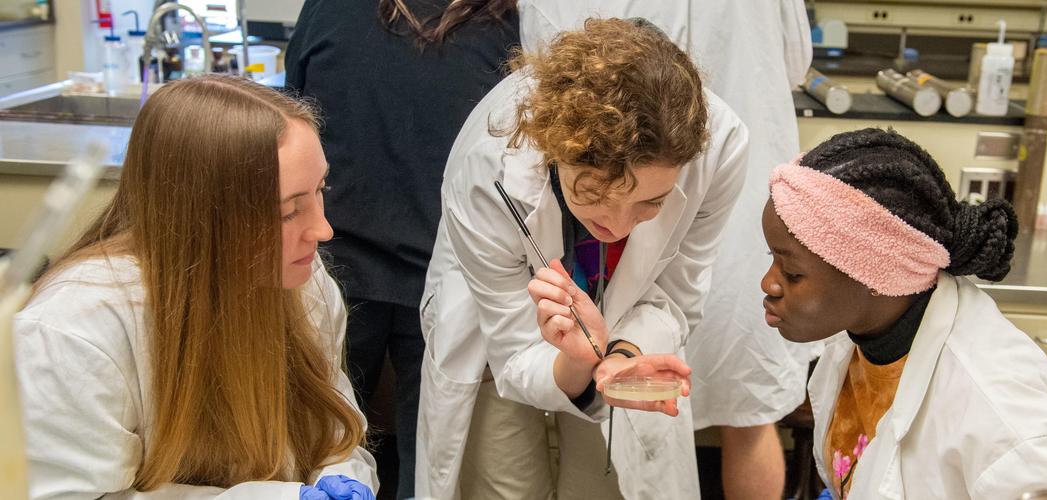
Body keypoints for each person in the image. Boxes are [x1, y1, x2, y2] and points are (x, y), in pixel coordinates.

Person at [417, 18, 748, 500]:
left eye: (650, 204)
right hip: (493, 334)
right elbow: (513, 351)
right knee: (505, 480)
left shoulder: (718, 150)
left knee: (601, 484)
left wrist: (622, 356)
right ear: (556, 155)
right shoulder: (488, 165)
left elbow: (675, 295)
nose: (616, 226)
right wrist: (574, 363)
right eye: (593, 194)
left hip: (624, 324)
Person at [13, 75, 377, 499]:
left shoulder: (301, 280)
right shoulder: (74, 332)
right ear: (201, 221)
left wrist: (347, 474)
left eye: (320, 190)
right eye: (287, 212)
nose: (323, 229)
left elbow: (334, 433)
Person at [517, 3, 818, 497]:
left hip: (690, 188)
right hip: (658, 191)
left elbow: (542, 56)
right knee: (746, 415)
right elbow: (796, 60)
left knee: (737, 407)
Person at [760, 128, 1047, 499]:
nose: (768, 284)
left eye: (792, 273)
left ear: (875, 271)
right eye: (771, 259)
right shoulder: (866, 342)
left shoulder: (1002, 415)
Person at [285, 1, 518, 497]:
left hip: (350, 260)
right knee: (429, 463)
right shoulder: (503, 26)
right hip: (423, 268)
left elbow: (290, 121)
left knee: (316, 448)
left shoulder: (330, 9)